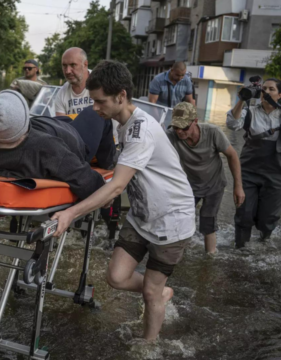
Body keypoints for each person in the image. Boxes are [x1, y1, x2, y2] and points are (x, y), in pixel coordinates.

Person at [51, 60, 195, 341]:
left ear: (121, 96)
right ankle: (161, 291)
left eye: (99, 101)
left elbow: (117, 187)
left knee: (150, 293)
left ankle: (148, 346)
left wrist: (70, 214)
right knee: (116, 278)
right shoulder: (121, 123)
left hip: (171, 220)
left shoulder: (140, 130)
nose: (94, 108)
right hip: (142, 216)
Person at [0, 90, 105, 200]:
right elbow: (87, 182)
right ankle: (110, 161)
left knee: (64, 118)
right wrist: (108, 191)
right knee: (96, 112)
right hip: (75, 139)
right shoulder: (45, 147)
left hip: (50, 125)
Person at [166, 102, 245, 254]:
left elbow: (232, 155)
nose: (180, 132)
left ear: (195, 121)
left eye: (184, 127)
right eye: (176, 127)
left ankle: (210, 256)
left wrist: (238, 186)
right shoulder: (170, 136)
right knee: (179, 219)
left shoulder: (213, 132)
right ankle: (178, 255)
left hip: (214, 185)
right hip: (188, 186)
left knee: (208, 221)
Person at [226, 78, 281, 248]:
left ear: (280, 94)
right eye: (263, 88)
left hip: (276, 172)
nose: (266, 92)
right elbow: (232, 124)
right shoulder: (250, 110)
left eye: (271, 89)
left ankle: (264, 241)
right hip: (248, 171)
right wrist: (242, 99)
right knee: (244, 213)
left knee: (268, 217)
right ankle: (240, 249)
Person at [54, 47, 93, 116]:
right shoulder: (61, 94)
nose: (68, 71)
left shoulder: (102, 83)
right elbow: (61, 125)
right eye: (64, 66)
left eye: (73, 65)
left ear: (85, 64)